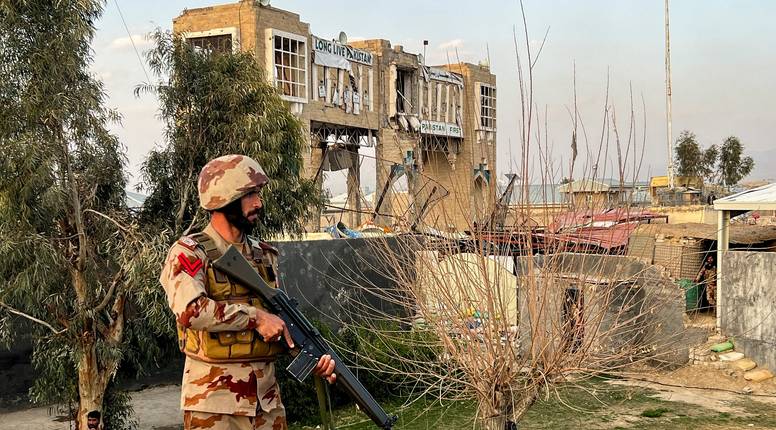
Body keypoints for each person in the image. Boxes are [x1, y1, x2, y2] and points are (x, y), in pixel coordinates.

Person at [160, 155, 336, 430]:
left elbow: (279, 323)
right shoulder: (190, 253)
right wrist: (255, 317)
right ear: (224, 198)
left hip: (267, 405)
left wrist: (310, 357)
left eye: (258, 194)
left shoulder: (264, 255)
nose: (258, 203)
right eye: (250, 194)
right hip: (214, 406)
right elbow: (191, 311)